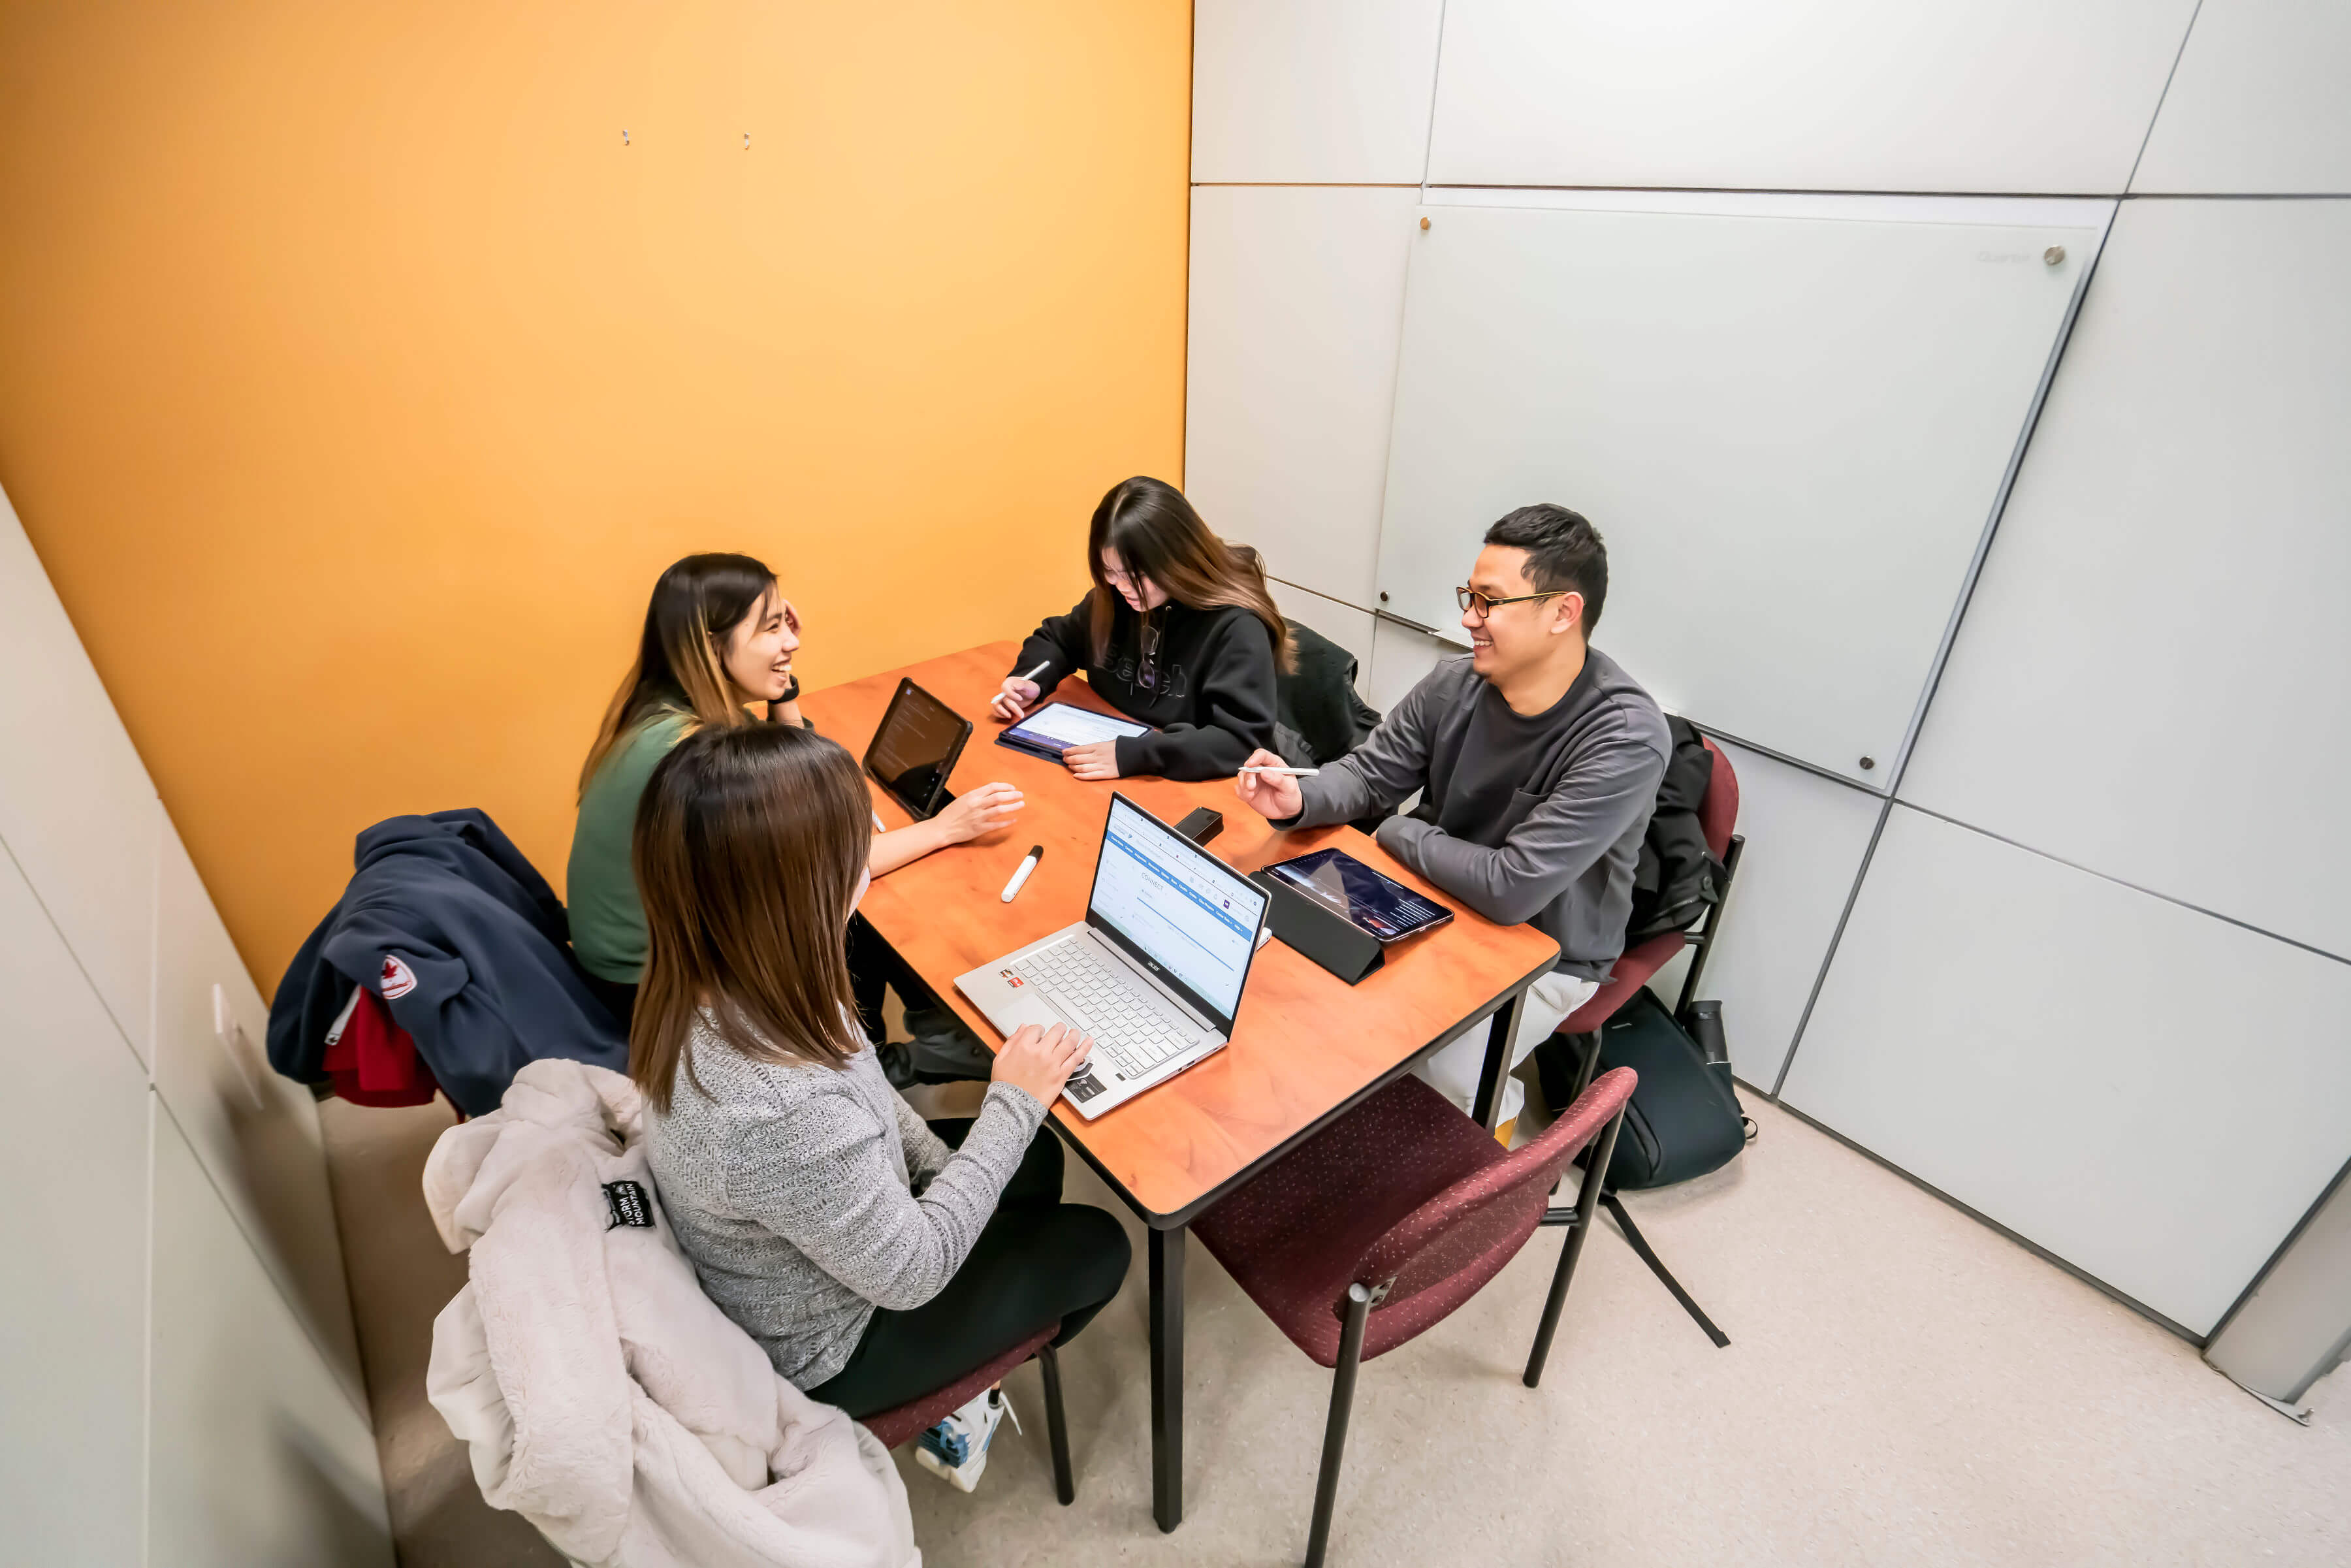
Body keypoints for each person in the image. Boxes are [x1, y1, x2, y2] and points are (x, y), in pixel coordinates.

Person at [636, 723, 1132, 1487]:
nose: (869, 852)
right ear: (800, 888)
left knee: (1036, 1156)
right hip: (837, 1346)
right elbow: (914, 1272)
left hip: (822, 1237)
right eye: (851, 846)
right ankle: (964, 1398)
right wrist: (1008, 1103)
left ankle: (997, 1253)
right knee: (1100, 1241)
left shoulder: (733, 967)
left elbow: (863, 1083)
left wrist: (948, 1172)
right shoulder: (770, 1108)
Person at [1232, 504, 1669, 1132]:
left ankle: (1491, 1138)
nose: (1469, 618)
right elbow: (1368, 773)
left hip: (1546, 951)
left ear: (1562, 613)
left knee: (1446, 1076)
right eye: (1471, 596)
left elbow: (1511, 888)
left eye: (1490, 602)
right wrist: (1301, 799)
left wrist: (1399, 831)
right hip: (1427, 893)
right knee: (1287, 969)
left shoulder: (1624, 738)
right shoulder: (1455, 683)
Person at [568, 553, 1019, 1075]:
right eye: (772, 627)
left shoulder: (670, 708)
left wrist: (783, 680)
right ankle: (872, 1071)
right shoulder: (694, 750)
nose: (793, 640)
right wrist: (947, 827)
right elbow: (836, 863)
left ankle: (913, 1045)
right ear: (714, 647)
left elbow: (794, 776)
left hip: (628, 957)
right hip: (652, 987)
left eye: (787, 622)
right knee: (858, 916)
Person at [989, 475, 1288, 781]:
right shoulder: (1116, 599)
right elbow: (1058, 639)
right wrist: (1032, 679)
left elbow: (1240, 743)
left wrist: (1137, 754)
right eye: (1110, 571)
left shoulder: (1236, 628)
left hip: (1183, 782)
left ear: (1178, 559)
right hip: (1112, 762)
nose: (1123, 587)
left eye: (1137, 575)